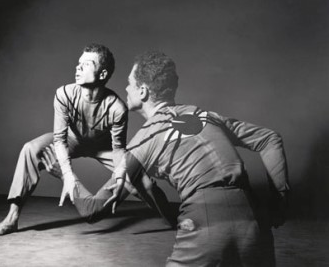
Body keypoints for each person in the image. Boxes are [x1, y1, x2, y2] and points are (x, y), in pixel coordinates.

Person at [105, 51, 290, 266]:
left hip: (205, 224)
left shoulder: (145, 139)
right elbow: (270, 139)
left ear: (143, 91)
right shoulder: (204, 115)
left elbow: (94, 208)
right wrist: (280, 204)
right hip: (254, 224)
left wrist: (65, 170)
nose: (126, 88)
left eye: (129, 83)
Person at [0, 44, 174, 236]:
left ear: (102, 75)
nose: (78, 67)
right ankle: (12, 218)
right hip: (72, 140)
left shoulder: (117, 107)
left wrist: (121, 176)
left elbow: (118, 150)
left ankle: (173, 219)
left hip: (104, 148)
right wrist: (67, 175)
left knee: (144, 182)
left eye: (86, 64)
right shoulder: (64, 94)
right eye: (79, 63)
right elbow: (59, 140)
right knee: (30, 149)